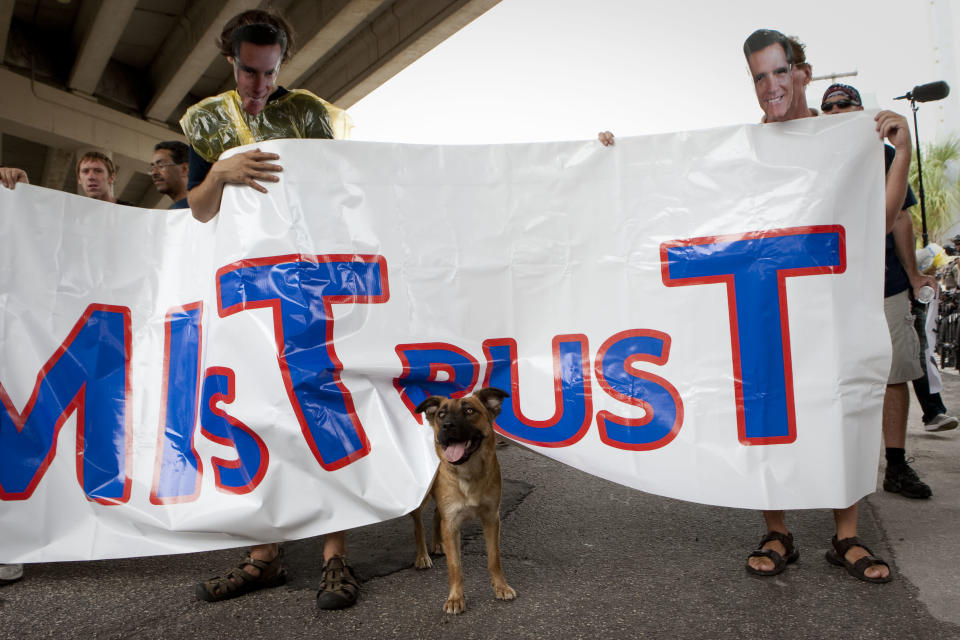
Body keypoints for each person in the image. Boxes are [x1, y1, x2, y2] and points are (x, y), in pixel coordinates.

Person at [180, 8, 357, 609]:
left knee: (321, 404)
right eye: (249, 72)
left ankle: (336, 556)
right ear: (231, 63)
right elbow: (199, 211)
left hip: (308, 282)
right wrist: (221, 172)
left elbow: (346, 191)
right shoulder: (205, 121)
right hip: (243, 291)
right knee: (254, 409)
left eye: (269, 73)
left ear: (282, 66)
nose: (258, 86)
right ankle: (266, 555)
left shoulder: (309, 112)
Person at [820, 82, 945, 472]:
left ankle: (895, 463)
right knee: (832, 375)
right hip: (831, 285)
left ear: (860, 112)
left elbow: (901, 218)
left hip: (883, 280)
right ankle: (833, 462)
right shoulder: (813, 157)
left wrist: (913, 275)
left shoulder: (886, 155)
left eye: (845, 105)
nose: (837, 111)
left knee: (895, 372)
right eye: (829, 107)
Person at [151, 141, 190, 209]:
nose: (154, 173)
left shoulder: (208, 206)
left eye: (161, 165)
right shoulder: (172, 214)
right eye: (152, 167)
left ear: (184, 169)